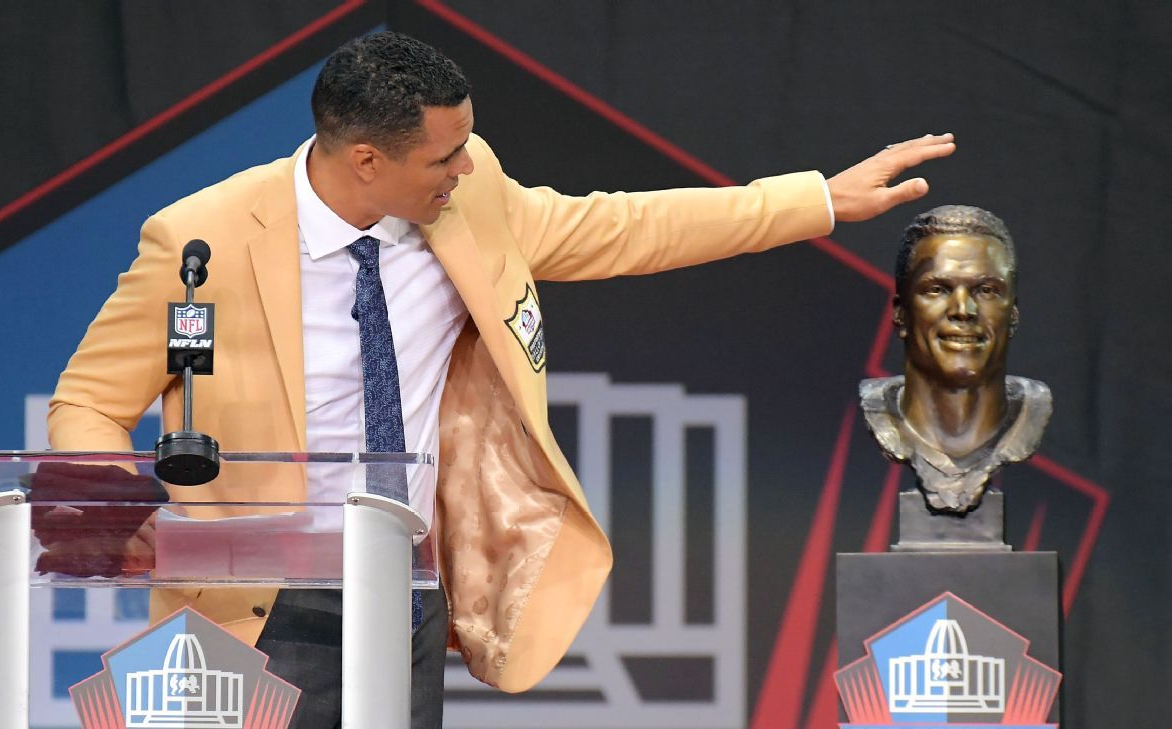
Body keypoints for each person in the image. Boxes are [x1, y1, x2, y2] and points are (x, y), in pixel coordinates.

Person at [49, 30, 955, 728]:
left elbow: (626, 227)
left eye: (467, 146)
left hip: (402, 588)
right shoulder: (200, 241)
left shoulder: (470, 201)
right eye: (443, 156)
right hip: (250, 601)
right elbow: (90, 398)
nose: (466, 167)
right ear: (366, 160)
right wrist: (114, 507)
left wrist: (819, 200)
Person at [860, 205, 1052, 512]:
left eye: (986, 290)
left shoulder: (1032, 410)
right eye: (937, 289)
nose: (963, 310)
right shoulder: (879, 411)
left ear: (1013, 315)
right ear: (900, 313)